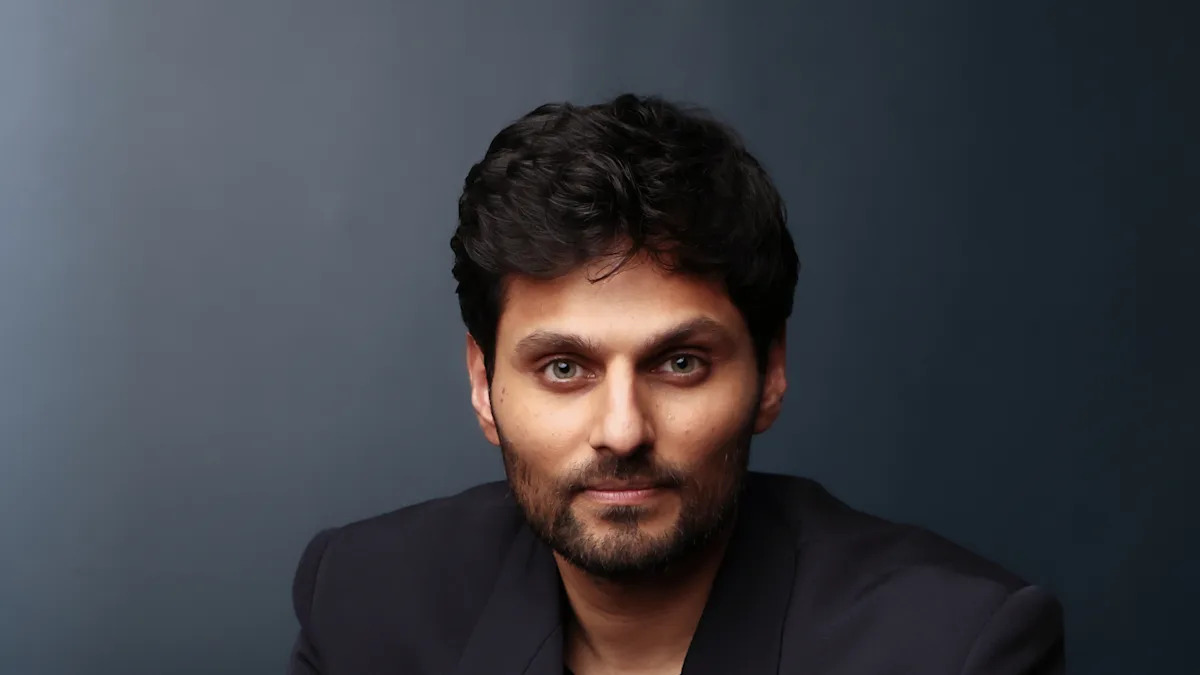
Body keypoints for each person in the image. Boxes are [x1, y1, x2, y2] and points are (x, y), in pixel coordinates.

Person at [286, 93, 1064, 675]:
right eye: (564, 368)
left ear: (769, 373)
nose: (622, 430)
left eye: (680, 363)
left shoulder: (954, 648)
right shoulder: (364, 600)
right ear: (483, 385)